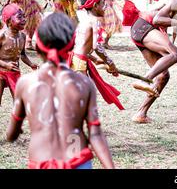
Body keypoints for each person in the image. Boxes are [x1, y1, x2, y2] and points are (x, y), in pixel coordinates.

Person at [6, 12, 115, 169]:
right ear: (71, 46)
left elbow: (12, 134)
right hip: (78, 160)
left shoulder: (26, 83)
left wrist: (15, 129)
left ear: (37, 48)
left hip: (40, 162)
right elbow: (96, 134)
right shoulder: (84, 83)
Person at [67, 0, 126, 110]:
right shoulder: (94, 22)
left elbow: (82, 45)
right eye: (103, 4)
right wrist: (110, 62)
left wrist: (94, 59)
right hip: (79, 64)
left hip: (76, 60)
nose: (105, 7)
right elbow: (96, 46)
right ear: (95, 6)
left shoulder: (85, 21)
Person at [0, 4, 38, 106]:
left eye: (24, 16)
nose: (24, 20)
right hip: (0, 72)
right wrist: (5, 65)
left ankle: (16, 118)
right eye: (19, 17)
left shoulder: (22, 36)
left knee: (18, 100)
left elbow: (22, 55)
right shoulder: (2, 36)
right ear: (8, 21)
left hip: (14, 72)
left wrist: (31, 64)